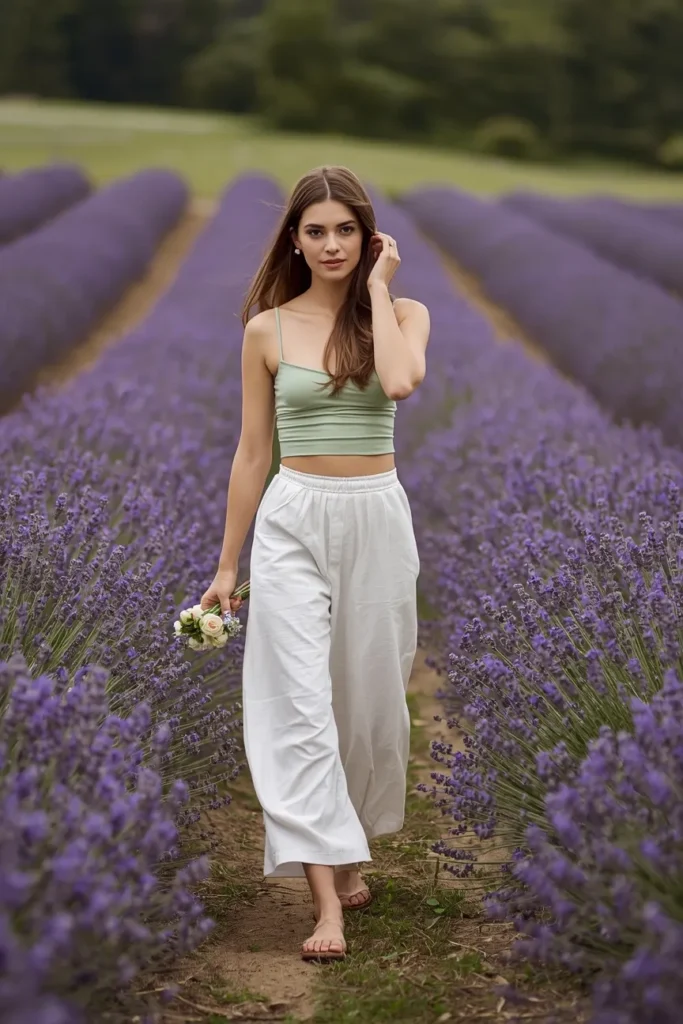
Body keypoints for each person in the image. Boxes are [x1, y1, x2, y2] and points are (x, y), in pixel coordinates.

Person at [201, 165, 430, 963]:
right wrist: (228, 567)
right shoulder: (266, 329)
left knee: (367, 697)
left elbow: (400, 381)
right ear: (293, 241)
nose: (329, 244)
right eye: (314, 231)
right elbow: (251, 453)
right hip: (294, 517)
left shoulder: (403, 313)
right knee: (296, 700)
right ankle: (323, 900)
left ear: (366, 238)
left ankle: (350, 839)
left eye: (344, 230)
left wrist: (375, 289)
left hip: (375, 517)